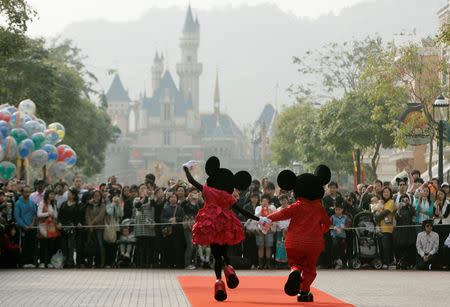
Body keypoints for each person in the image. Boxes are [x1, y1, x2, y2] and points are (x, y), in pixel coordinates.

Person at [183, 157, 260, 301]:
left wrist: (186, 169)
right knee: (224, 253)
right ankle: (229, 270)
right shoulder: (227, 195)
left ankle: (219, 283)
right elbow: (242, 211)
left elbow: (192, 182)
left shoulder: (208, 191)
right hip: (225, 225)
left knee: (216, 255)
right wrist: (259, 219)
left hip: (211, 225)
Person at [265, 165, 331, 303]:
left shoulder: (297, 206)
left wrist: (268, 219)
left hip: (294, 242)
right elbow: (327, 223)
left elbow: (282, 214)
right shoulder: (319, 207)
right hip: (313, 243)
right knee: (310, 270)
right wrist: (322, 230)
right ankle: (304, 291)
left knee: (296, 263)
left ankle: (294, 271)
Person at [133, 184, 155, 268]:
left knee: (148, 245)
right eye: (141, 188)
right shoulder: (136, 199)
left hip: (148, 224)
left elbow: (153, 205)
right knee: (140, 245)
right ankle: (139, 263)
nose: (143, 190)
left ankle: (148, 263)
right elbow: (137, 206)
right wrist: (143, 198)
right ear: (139, 191)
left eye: (145, 188)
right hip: (139, 224)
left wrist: (150, 196)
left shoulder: (150, 198)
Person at [37, 189, 59, 268]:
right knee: (43, 244)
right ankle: (42, 262)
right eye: (51, 194)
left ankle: (49, 262)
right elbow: (39, 214)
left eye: (53, 194)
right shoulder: (42, 203)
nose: (52, 196)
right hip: (43, 226)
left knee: (51, 245)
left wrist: (53, 214)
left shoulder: (54, 204)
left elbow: (56, 215)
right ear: (47, 195)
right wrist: (48, 213)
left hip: (51, 226)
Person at [393, 194, 416, 269]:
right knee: (399, 246)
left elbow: (413, 213)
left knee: (409, 246)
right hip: (400, 231)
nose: (404, 202)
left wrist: (409, 204)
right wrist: (398, 209)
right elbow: (397, 218)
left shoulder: (410, 208)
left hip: (409, 231)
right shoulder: (398, 209)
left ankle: (407, 263)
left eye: (406, 200)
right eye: (402, 200)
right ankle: (399, 262)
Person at [374, 187, 395, 269]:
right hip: (379, 228)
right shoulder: (380, 202)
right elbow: (375, 211)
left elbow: (385, 213)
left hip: (387, 229)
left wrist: (377, 218)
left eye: (387, 192)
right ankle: (382, 262)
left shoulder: (391, 202)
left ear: (390, 193)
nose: (386, 193)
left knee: (386, 247)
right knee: (381, 247)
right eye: (384, 192)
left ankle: (387, 262)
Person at [58, 187, 79, 268]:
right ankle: (65, 261)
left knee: (71, 245)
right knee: (64, 245)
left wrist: (75, 224)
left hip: (71, 228)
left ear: (73, 195)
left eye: (69, 193)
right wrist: (59, 222)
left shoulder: (77, 205)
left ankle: (70, 262)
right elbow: (60, 215)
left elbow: (77, 217)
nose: (68, 195)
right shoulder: (64, 204)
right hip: (63, 227)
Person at [181, 187, 201, 270]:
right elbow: (181, 206)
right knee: (190, 245)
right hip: (187, 225)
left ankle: (194, 262)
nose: (194, 195)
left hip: (197, 225)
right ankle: (187, 263)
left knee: (196, 246)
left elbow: (203, 209)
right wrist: (187, 198)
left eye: (196, 193)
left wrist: (201, 200)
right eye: (193, 193)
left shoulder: (198, 203)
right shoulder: (187, 202)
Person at [255, 193, 276, 269]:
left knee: (268, 246)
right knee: (260, 246)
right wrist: (262, 208)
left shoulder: (272, 207)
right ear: (261, 201)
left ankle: (268, 264)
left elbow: (273, 216)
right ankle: (260, 264)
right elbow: (256, 216)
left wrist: (267, 209)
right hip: (260, 230)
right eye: (263, 200)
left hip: (269, 229)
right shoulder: (258, 208)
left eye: (266, 200)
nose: (265, 202)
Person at [85, 190, 106, 268]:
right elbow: (87, 215)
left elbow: (101, 216)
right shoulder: (89, 205)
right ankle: (89, 262)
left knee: (100, 244)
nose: (96, 197)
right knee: (90, 244)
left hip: (99, 227)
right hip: (90, 228)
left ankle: (101, 262)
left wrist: (92, 223)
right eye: (95, 195)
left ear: (100, 197)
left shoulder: (103, 205)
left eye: (98, 196)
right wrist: (89, 224)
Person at [105, 189, 123, 268]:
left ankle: (114, 262)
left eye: (117, 197)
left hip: (117, 228)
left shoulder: (118, 204)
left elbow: (121, 214)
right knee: (109, 246)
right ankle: (108, 262)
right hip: (110, 228)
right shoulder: (108, 204)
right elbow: (109, 212)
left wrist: (118, 205)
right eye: (114, 196)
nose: (116, 198)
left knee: (115, 246)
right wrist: (113, 203)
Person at [243, 192, 259, 269]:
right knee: (248, 247)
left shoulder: (259, 207)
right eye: (253, 197)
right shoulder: (246, 207)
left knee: (256, 248)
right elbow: (244, 218)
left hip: (257, 230)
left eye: (256, 198)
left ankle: (255, 263)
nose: (254, 199)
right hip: (248, 231)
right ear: (250, 198)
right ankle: (248, 263)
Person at [330, 204, 348, 269]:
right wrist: (334, 227)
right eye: (336, 210)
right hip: (334, 234)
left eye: (339, 210)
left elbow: (348, 226)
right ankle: (336, 260)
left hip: (342, 235)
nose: (337, 211)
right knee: (335, 245)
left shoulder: (345, 217)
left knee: (342, 248)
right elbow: (329, 225)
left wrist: (344, 227)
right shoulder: (332, 217)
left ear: (342, 210)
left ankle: (342, 262)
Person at [275, 194, 290, 268]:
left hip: (290, 230)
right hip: (280, 230)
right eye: (281, 200)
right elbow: (277, 220)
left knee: (289, 247)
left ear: (287, 200)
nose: (283, 201)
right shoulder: (278, 210)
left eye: (284, 199)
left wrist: (287, 228)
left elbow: (294, 219)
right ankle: (279, 263)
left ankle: (288, 263)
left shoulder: (291, 208)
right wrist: (283, 229)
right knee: (280, 247)